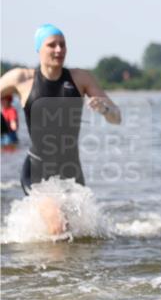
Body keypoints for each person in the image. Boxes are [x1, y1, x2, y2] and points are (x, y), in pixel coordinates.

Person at [0, 24, 121, 234]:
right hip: (37, 169)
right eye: (52, 45)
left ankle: (67, 267)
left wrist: (104, 108)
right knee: (57, 225)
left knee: (80, 234)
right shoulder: (22, 78)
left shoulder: (80, 78)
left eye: (62, 45)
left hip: (72, 170)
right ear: (39, 49)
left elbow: (116, 117)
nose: (59, 50)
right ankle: (52, 268)